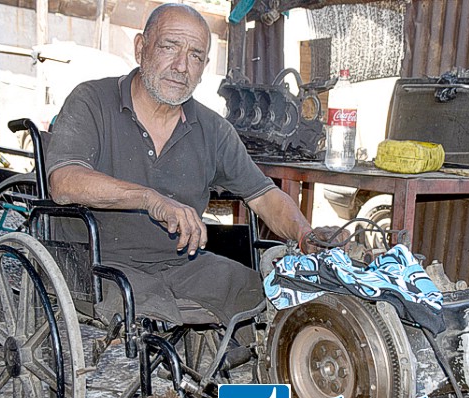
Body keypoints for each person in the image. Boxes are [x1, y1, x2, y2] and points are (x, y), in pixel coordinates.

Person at [45, 3, 342, 329]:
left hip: (179, 263)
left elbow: (264, 196)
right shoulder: (92, 100)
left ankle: (242, 381)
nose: (181, 66)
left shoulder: (213, 129)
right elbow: (64, 181)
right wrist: (150, 198)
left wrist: (304, 234)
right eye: (169, 47)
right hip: (94, 262)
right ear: (141, 48)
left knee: (261, 300)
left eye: (196, 56)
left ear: (203, 68)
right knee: (154, 323)